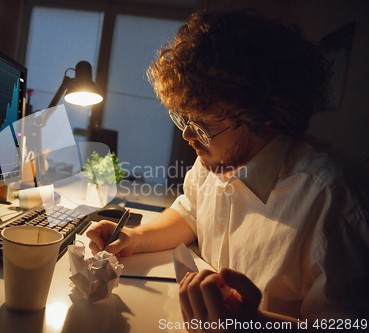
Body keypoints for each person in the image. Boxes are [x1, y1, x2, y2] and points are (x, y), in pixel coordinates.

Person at [87, 9, 369, 332]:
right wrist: (134, 237)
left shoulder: (335, 206)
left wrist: (254, 324)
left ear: (263, 118)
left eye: (204, 125)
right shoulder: (216, 158)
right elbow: (190, 211)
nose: (188, 136)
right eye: (185, 118)